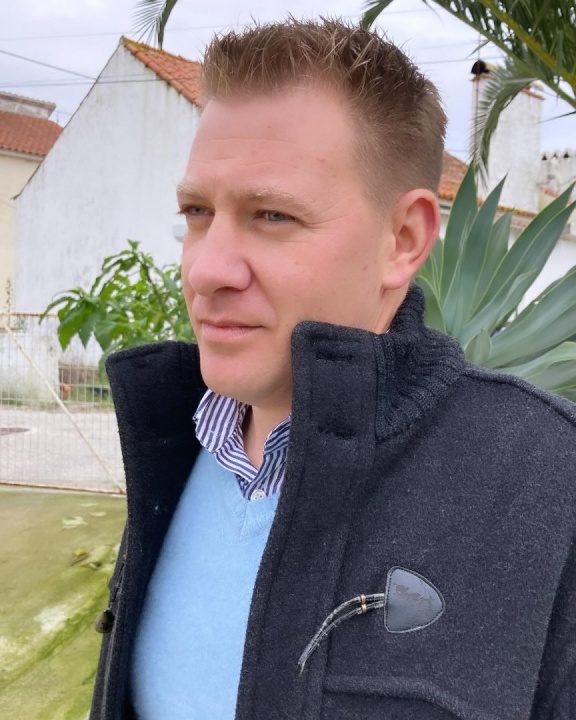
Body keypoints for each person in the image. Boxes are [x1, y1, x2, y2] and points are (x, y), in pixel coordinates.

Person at [90, 18, 576, 720]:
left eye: (271, 215)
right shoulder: (174, 444)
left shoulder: (547, 483)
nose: (205, 269)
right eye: (196, 211)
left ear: (402, 240)